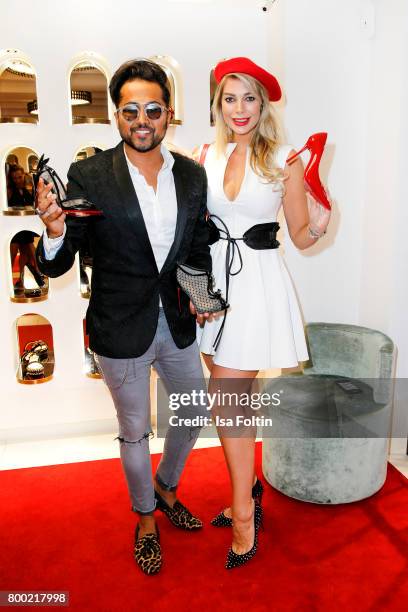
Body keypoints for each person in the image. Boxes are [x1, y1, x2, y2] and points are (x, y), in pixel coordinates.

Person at [35, 59, 212, 576]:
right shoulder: (89, 174)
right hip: (119, 327)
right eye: (130, 109)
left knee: (194, 412)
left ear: (168, 114)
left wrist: (201, 295)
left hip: (176, 322)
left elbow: (195, 248)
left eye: (153, 109)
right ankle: (146, 519)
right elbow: (61, 260)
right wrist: (53, 229)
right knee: (134, 430)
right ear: (117, 115)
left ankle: (167, 487)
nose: (142, 119)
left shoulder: (193, 175)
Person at [196, 57, 331, 569]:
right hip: (210, 284)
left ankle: (244, 516)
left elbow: (299, 234)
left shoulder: (284, 160)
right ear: (219, 104)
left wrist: (319, 223)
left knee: (227, 396)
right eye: (229, 98)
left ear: (263, 103)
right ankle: (249, 488)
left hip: (255, 285)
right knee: (230, 394)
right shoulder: (204, 153)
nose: (239, 108)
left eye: (248, 98)